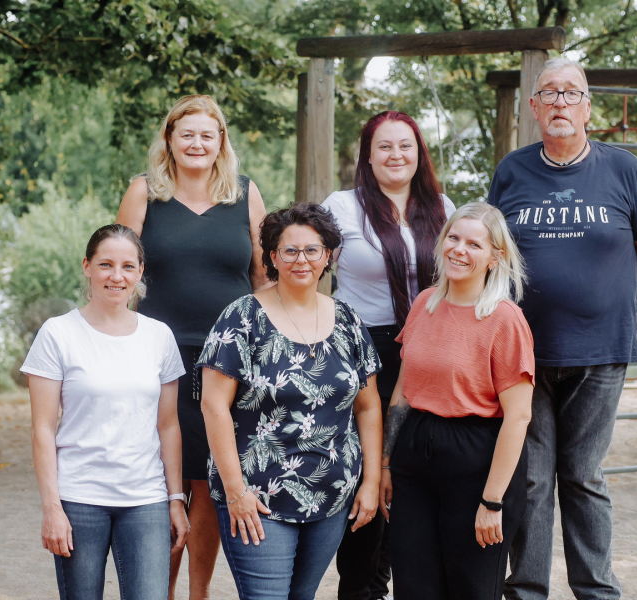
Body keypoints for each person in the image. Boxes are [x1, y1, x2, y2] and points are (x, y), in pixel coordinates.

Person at [488, 58, 637, 600]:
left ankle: (596, 591)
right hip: (525, 352)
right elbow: (494, 252)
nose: (561, 102)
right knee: (532, 477)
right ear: (534, 107)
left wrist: (600, 300)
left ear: (588, 107)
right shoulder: (512, 171)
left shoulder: (624, 169)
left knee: (583, 473)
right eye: (550, 93)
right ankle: (527, 590)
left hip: (600, 349)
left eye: (572, 93)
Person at [117, 94, 269, 599]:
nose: (197, 143)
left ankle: (198, 594)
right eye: (187, 134)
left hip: (230, 360)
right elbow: (121, 269)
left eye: (207, 134)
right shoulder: (144, 192)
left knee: (211, 482)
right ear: (169, 139)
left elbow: (263, 277)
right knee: (166, 479)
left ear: (221, 141)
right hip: (159, 357)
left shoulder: (244, 194)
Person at [197, 202, 383, 600]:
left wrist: (369, 481)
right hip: (257, 496)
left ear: (328, 255)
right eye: (290, 250)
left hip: (332, 495)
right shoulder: (242, 317)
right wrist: (236, 491)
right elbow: (213, 406)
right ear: (272, 257)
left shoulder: (348, 320)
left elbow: (368, 406)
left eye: (312, 250)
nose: (302, 260)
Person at [322, 110, 456, 600]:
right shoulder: (342, 206)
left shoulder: (442, 207)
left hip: (430, 349)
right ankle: (361, 590)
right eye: (385, 146)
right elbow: (306, 266)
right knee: (369, 472)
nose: (396, 155)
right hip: (363, 349)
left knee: (414, 473)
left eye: (405, 145)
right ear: (368, 155)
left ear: (419, 153)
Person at [23, 224, 190, 600]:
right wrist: (52, 508)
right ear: (87, 266)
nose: (117, 276)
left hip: (145, 500)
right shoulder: (57, 333)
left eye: (128, 266)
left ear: (140, 272)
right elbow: (43, 429)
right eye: (105, 265)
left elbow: (168, 426)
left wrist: (175, 499)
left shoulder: (159, 336)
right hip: (79, 498)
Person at [379, 202, 536, 600]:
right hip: (415, 454)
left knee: (471, 589)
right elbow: (403, 390)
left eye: (474, 244)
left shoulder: (505, 319)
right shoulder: (424, 303)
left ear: (494, 258)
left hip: (478, 458)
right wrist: (385, 464)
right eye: (453, 238)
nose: (459, 250)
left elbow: (518, 417)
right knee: (414, 587)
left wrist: (492, 501)